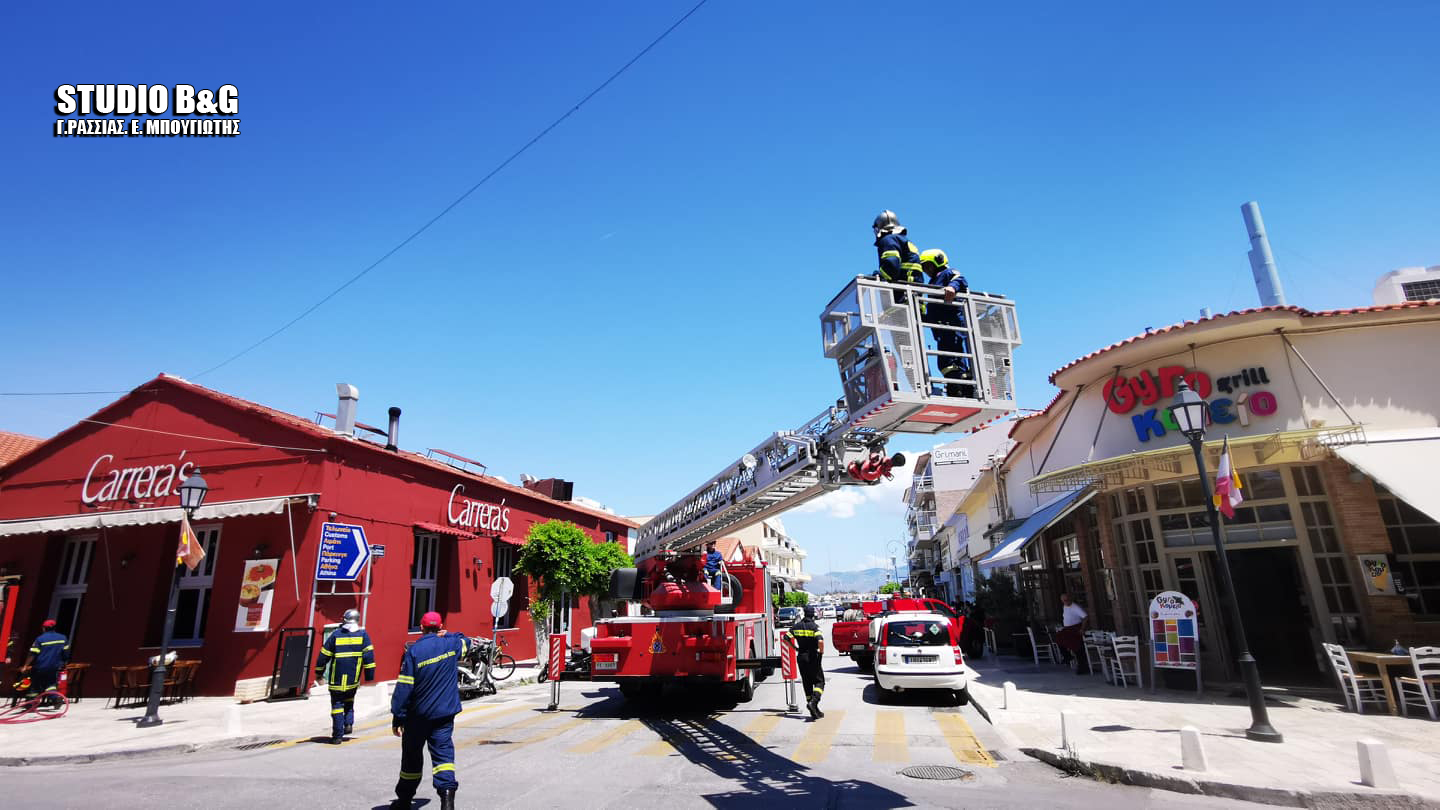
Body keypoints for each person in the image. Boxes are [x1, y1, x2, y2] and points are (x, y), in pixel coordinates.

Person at [390, 611, 472, 810]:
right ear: (441, 627)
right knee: (443, 757)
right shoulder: (450, 645)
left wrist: (398, 716)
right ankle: (447, 800)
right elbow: (466, 641)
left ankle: (404, 801)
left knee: (412, 757)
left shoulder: (415, 651)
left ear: (421, 627)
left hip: (417, 716)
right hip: (444, 714)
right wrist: (449, 634)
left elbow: (405, 687)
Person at [918, 248, 975, 398]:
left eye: (928, 266)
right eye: (924, 267)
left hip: (952, 325)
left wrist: (952, 287)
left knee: (953, 359)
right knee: (945, 362)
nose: (926, 270)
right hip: (941, 329)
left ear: (938, 261)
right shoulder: (932, 282)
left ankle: (963, 387)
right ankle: (955, 385)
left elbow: (960, 279)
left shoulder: (947, 273)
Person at [314, 608, 376, 744]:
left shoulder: (336, 635)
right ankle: (348, 724)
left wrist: (319, 672)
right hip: (353, 679)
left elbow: (323, 656)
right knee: (349, 701)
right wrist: (370, 676)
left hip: (337, 679)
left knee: (337, 705)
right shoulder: (363, 635)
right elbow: (369, 657)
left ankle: (337, 736)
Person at [787, 605, 826, 719]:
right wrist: (821, 653)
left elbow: (786, 638)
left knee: (807, 682)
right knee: (820, 682)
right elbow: (821, 641)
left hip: (801, 657)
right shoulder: (814, 627)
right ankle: (813, 702)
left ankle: (814, 710)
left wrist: (795, 648)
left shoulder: (796, 626)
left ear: (804, 613)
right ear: (812, 614)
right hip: (813, 657)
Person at [21, 619, 70, 705]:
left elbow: (32, 654)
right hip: (54, 666)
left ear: (44, 628)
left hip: (40, 666)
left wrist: (25, 666)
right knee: (51, 684)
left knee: (35, 685)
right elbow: (65, 653)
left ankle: (31, 703)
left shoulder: (40, 639)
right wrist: (64, 663)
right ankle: (55, 699)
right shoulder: (63, 638)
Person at [872, 210, 924, 287]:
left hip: (902, 290)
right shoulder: (903, 240)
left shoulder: (888, 239)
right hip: (913, 289)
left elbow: (891, 266)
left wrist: (878, 277)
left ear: (877, 229)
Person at [1055, 593, 1090, 674]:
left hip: (1075, 628)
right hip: (1068, 629)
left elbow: (1085, 617)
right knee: (1058, 638)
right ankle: (1067, 656)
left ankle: (1082, 667)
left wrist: (1082, 629)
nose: (1066, 602)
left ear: (1070, 599)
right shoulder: (1064, 606)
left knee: (1077, 647)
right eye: (1064, 601)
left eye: (1067, 600)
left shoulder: (1075, 607)